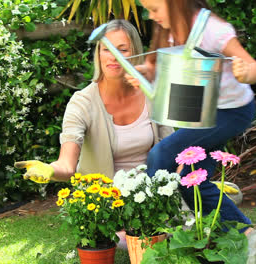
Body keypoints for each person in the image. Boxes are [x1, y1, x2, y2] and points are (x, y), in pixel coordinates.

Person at [14, 19, 174, 249]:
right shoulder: (82, 103)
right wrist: (50, 170)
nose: (113, 57)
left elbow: (173, 151)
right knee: (130, 241)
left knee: (204, 216)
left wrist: (198, 182)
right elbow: (67, 164)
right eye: (106, 49)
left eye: (122, 49)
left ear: (135, 53)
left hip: (152, 201)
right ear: (98, 54)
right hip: (108, 208)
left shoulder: (151, 93)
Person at [125, 0, 256, 234]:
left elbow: (254, 67)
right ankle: (243, 232)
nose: (150, 16)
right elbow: (158, 67)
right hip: (203, 113)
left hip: (232, 112)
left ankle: (150, 229)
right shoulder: (169, 28)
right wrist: (145, 72)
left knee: (162, 154)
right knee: (191, 179)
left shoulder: (212, 30)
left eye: (154, 9)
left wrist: (245, 72)